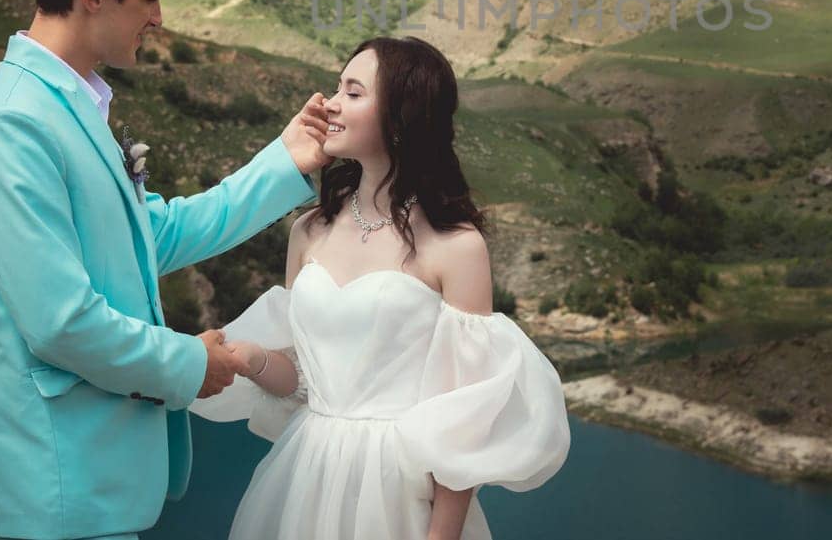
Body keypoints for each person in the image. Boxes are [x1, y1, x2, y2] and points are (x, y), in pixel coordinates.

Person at [0, 0, 334, 540]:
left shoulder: (68, 105)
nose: (158, 18)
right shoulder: (10, 123)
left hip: (90, 482)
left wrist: (284, 161)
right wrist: (187, 364)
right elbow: (60, 322)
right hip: (53, 483)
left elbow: (153, 237)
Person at [190, 35, 571, 539]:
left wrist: (440, 536)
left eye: (353, 92)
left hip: (397, 497)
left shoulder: (456, 247)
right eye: (336, 88)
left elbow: (463, 420)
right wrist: (252, 359)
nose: (329, 103)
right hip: (305, 477)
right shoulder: (309, 231)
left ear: (400, 117)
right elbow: (305, 384)